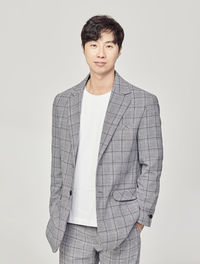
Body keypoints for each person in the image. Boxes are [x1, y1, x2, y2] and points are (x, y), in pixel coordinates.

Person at [45, 14, 164, 264]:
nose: (100, 53)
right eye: (93, 45)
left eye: (109, 45)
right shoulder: (63, 103)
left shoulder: (142, 103)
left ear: (119, 51)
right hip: (72, 226)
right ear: (83, 48)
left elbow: (152, 164)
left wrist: (139, 218)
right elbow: (58, 164)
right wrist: (57, 209)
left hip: (121, 224)